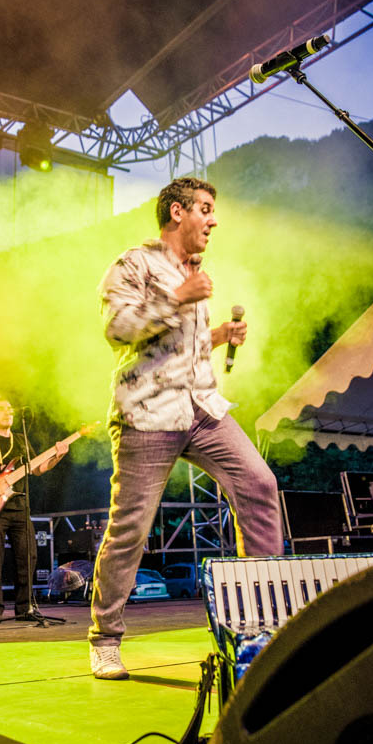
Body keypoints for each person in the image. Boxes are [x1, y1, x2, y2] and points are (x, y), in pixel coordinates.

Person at [88, 176, 284, 680]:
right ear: (177, 212)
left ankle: (261, 624)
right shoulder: (135, 263)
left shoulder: (194, 272)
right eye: (205, 209)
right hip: (147, 412)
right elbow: (118, 329)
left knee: (260, 484)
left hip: (200, 408)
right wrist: (178, 296)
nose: (213, 220)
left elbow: (180, 351)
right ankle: (105, 638)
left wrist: (219, 335)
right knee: (131, 529)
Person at [0, 399, 68, 622]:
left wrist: (58, 456)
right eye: (2, 409)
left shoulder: (21, 440)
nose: (8, 412)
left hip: (19, 506)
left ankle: (24, 608)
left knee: (28, 557)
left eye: (10, 408)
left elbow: (38, 469)